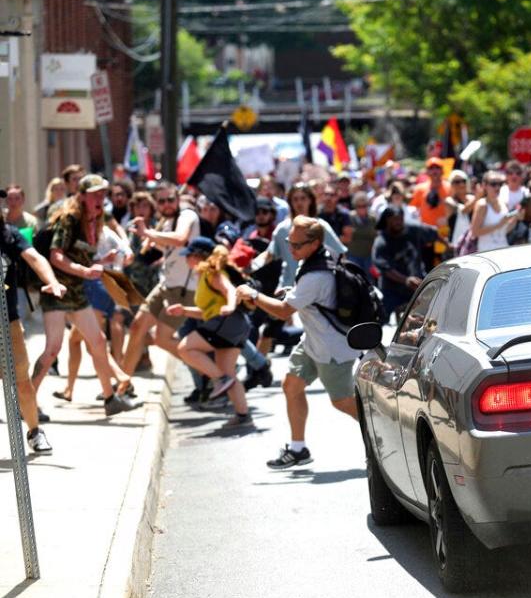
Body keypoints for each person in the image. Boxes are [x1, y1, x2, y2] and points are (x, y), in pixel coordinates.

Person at [236, 216, 360, 469]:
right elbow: (303, 297)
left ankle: (384, 433)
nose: (291, 250)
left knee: (343, 402)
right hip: (313, 341)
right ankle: (298, 449)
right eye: (288, 243)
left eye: (296, 245)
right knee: (292, 384)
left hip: (331, 348)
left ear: (314, 244)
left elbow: (283, 311)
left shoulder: (317, 274)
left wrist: (254, 294)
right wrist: (292, 291)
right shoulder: (312, 263)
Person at [30, 174, 139, 417]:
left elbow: (82, 258)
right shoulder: (69, 219)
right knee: (53, 349)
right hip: (56, 290)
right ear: (82, 196)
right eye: (95, 194)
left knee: (98, 341)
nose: (101, 198)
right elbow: (56, 256)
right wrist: (85, 270)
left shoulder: (95, 220)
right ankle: (26, 402)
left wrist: (103, 261)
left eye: (103, 193)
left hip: (77, 291)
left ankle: (110, 399)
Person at [0, 198, 66, 452]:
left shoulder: (9, 235)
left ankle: (34, 431)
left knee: (22, 384)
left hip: (9, 323)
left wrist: (51, 280)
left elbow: (34, 257)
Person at [120, 183, 201, 384]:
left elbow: (180, 239)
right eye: (162, 201)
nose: (167, 204)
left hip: (185, 288)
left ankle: (209, 374)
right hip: (166, 284)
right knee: (137, 327)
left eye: (170, 200)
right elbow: (165, 248)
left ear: (177, 199)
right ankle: (123, 385)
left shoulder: (187, 216)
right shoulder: (165, 223)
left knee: (162, 339)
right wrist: (148, 238)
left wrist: (148, 234)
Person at [167, 238, 252, 427]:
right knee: (229, 373)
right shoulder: (203, 277)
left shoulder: (212, 273)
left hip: (228, 322)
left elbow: (230, 290)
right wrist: (184, 310)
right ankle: (243, 415)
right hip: (232, 325)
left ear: (197, 256)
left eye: (188, 255)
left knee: (184, 348)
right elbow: (207, 313)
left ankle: (219, 379)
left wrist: (230, 306)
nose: (186, 259)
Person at [372, 205, 438, 319]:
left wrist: (448, 245)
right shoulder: (381, 242)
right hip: (391, 289)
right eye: (395, 219)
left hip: (415, 287)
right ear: (387, 221)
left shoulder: (413, 230)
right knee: (380, 319)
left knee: (429, 316)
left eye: (400, 218)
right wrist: (406, 280)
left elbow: (434, 232)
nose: (398, 222)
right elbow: (386, 269)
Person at [471, 171, 518, 252]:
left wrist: (516, 218)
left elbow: (504, 230)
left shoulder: (503, 203)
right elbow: (474, 232)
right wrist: (498, 225)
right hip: (486, 253)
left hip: (503, 249)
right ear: (484, 185)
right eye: (493, 184)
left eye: (500, 184)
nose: (497, 187)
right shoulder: (482, 205)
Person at [409, 157, 451, 227]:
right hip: (426, 232)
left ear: (442, 170)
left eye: (437, 168)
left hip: (446, 231)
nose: (434, 171)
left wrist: (447, 219)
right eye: (431, 168)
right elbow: (412, 210)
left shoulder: (450, 188)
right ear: (427, 172)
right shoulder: (419, 189)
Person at [346, 192, 377, 274]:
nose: (362, 208)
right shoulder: (349, 217)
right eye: (359, 206)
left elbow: (376, 236)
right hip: (353, 255)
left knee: (369, 281)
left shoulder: (372, 219)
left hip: (369, 256)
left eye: (364, 206)